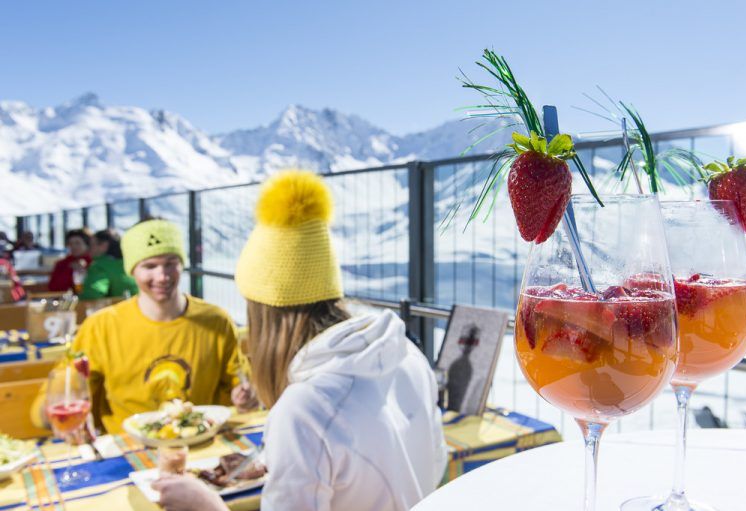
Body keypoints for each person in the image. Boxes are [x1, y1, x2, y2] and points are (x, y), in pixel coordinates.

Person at [153, 170, 447, 511]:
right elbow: (433, 461)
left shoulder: (304, 409)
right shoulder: (405, 353)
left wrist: (206, 505)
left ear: (265, 315)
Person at [32, 219, 255, 434]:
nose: (162, 276)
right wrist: (58, 414)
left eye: (171, 263)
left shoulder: (216, 321)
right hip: (128, 450)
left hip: (201, 444)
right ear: (132, 271)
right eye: (149, 266)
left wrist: (244, 394)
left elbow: (238, 380)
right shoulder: (101, 327)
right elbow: (56, 395)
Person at [79, 228, 138, 300]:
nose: (88, 249)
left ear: (104, 245)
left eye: (92, 245)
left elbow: (93, 295)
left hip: (117, 309)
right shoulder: (134, 262)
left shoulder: (100, 266)